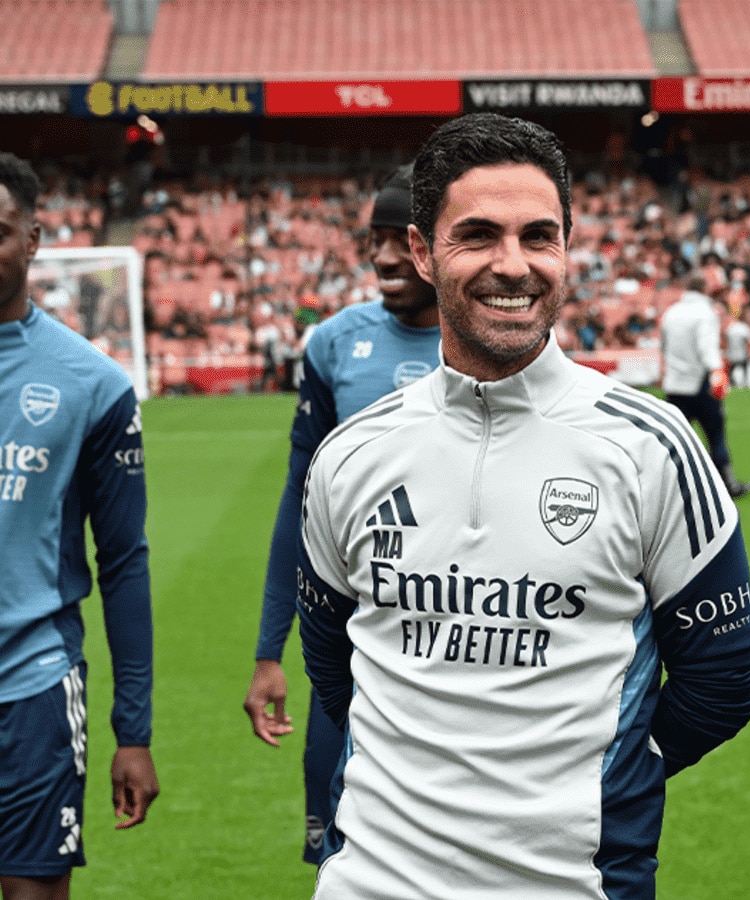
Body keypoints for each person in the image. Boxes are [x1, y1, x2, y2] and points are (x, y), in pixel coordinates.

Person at [296, 113, 750, 899]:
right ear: (421, 251)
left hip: (572, 881)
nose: (514, 266)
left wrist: (618, 776)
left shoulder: (651, 444)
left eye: (538, 236)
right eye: (477, 235)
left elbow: (720, 680)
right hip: (371, 881)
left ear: (566, 249)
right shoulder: (351, 452)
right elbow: (332, 663)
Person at [242, 166, 440, 865]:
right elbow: (300, 503)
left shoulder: (499, 346)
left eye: (403, 238)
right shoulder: (332, 344)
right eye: (375, 239)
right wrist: (271, 651)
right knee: (339, 863)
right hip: (349, 661)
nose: (384, 256)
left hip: (455, 654)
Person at [0, 152, 159, 899]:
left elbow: (124, 562)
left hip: (31, 685)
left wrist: (135, 730)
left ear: (33, 239)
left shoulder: (91, 384)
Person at [660, 275, 750, 498]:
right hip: (700, 383)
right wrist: (717, 371)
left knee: (674, 440)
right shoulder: (705, 313)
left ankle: (668, 489)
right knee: (715, 434)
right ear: (705, 290)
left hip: (675, 384)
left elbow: (663, 348)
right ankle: (727, 483)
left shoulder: (672, 312)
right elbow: (707, 347)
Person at [725, 306, 750, 388]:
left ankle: (731, 383)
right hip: (742, 354)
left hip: (732, 354)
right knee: (744, 369)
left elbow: (725, 340)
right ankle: (745, 383)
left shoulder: (730, 328)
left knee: (732, 369)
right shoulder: (743, 328)